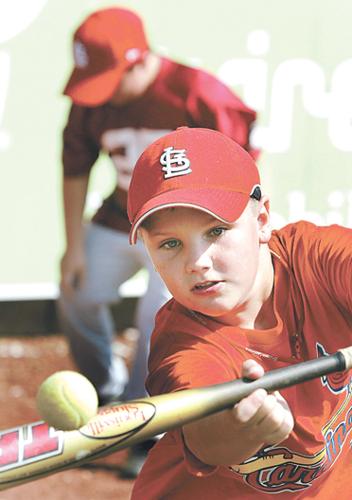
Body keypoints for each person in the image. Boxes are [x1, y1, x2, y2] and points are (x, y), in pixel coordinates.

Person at [126, 126, 352, 498]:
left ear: (262, 221)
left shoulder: (313, 259)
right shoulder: (183, 343)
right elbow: (209, 441)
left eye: (216, 231)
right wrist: (239, 426)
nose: (197, 262)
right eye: (170, 243)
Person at [58, 8, 257, 423]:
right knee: (77, 292)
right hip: (120, 217)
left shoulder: (197, 92)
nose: (103, 93)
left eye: (109, 80)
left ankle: (144, 415)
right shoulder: (94, 103)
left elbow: (244, 166)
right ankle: (105, 388)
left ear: (139, 59)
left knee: (159, 314)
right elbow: (75, 170)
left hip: (186, 227)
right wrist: (73, 247)